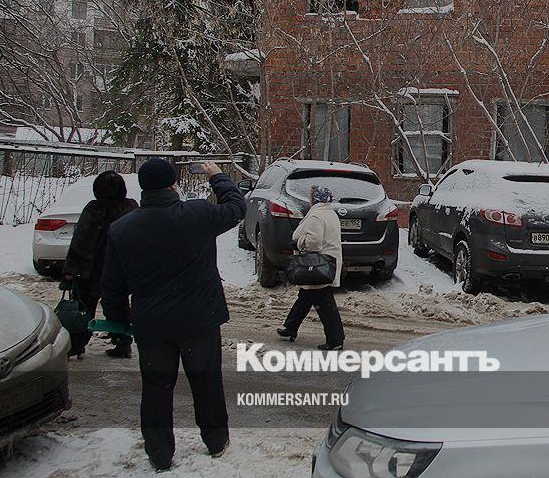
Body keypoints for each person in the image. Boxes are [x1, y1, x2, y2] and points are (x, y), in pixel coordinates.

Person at [100, 159, 245, 472]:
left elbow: (111, 286)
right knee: (206, 381)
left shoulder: (122, 229)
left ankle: (160, 454)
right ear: (173, 184)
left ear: (143, 187)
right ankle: (216, 440)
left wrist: (120, 321)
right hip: (200, 319)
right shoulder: (198, 214)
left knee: (156, 388)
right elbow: (236, 208)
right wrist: (218, 176)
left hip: (152, 325)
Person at [60, 170, 138, 359]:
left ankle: (77, 345)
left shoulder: (95, 209)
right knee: (118, 306)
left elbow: (82, 241)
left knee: (84, 306)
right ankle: (123, 342)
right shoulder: (131, 208)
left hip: (94, 269)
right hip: (121, 268)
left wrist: (71, 270)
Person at [276, 185, 345, 350]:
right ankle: (290, 327)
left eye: (311, 197)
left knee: (325, 303)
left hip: (318, 266)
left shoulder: (316, 216)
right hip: (326, 263)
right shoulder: (329, 213)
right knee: (305, 297)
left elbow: (314, 242)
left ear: (315, 199)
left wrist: (298, 243)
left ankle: (335, 339)